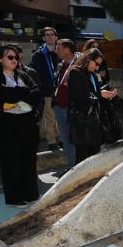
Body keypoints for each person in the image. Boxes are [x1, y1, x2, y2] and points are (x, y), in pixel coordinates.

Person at [0, 45, 42, 206]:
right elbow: (1, 98)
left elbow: (36, 93)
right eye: (10, 57)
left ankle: (31, 195)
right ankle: (15, 198)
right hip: (7, 128)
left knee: (28, 160)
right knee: (11, 162)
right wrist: (22, 94)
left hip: (28, 125)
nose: (14, 60)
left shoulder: (24, 75)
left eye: (16, 57)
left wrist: (15, 95)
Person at [68, 49, 118, 162]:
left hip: (94, 122)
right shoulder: (75, 72)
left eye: (99, 65)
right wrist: (100, 94)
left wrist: (103, 94)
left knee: (94, 158)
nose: (97, 67)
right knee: (82, 158)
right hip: (82, 122)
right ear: (88, 59)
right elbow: (80, 97)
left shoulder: (92, 75)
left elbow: (93, 93)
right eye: (96, 63)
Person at [29, 27, 60, 151]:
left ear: (56, 37)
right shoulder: (39, 54)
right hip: (48, 91)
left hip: (61, 90)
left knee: (61, 116)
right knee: (50, 116)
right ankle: (52, 141)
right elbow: (38, 75)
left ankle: (62, 139)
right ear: (43, 38)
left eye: (52, 34)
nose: (50, 37)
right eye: (47, 35)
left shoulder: (61, 51)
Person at [52, 39, 78, 169]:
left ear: (67, 50)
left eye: (58, 48)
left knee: (76, 138)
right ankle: (72, 166)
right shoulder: (60, 65)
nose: (56, 50)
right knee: (65, 139)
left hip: (73, 108)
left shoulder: (79, 64)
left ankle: (80, 166)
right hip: (59, 106)